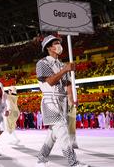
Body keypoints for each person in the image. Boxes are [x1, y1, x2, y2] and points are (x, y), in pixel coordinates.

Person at [35, 35, 88, 167]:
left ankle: (41, 158)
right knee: (63, 133)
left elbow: (68, 83)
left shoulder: (62, 64)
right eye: (56, 43)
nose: (59, 45)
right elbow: (51, 81)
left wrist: (72, 98)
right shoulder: (42, 63)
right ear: (48, 47)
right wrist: (65, 69)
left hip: (63, 101)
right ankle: (73, 162)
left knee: (53, 134)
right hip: (50, 102)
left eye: (59, 43)